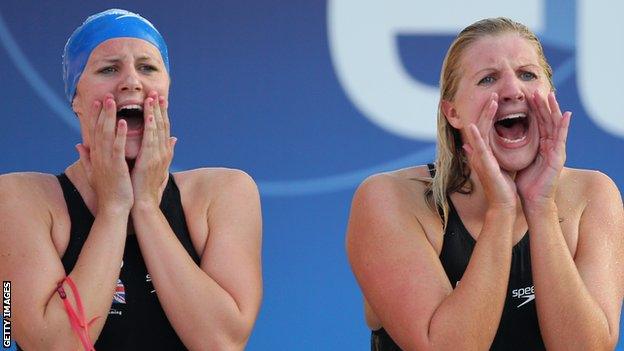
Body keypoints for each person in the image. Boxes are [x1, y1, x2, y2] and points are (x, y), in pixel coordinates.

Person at [346, 17, 624, 351]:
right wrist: (501, 210)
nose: (512, 90)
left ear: (550, 96)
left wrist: (541, 208)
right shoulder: (390, 199)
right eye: (488, 79)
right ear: (453, 113)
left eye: (527, 74)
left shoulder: (592, 196)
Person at [0, 9, 262, 350]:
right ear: (75, 99)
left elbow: (222, 343)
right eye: (109, 69)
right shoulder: (17, 200)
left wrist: (148, 208)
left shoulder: (225, 193)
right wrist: (113, 209)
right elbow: (52, 345)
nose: (132, 82)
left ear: (166, 89)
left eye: (148, 67)